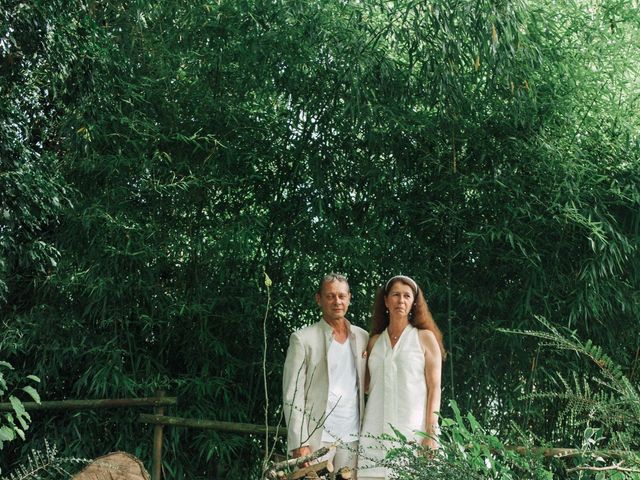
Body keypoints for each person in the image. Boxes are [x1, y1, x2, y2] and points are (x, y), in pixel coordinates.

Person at [358, 275, 446, 480]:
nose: (401, 300)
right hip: (374, 433)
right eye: (396, 295)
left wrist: (431, 433)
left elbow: (435, 388)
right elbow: (365, 386)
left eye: (407, 296)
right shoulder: (374, 343)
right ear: (386, 301)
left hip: (413, 433)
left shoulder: (424, 338)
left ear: (414, 303)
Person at [282, 273, 369, 475]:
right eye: (330, 296)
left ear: (349, 298)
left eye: (341, 296)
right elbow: (292, 395)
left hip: (352, 436)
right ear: (318, 299)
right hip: (316, 438)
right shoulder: (302, 339)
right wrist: (299, 441)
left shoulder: (363, 337)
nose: (336, 301)